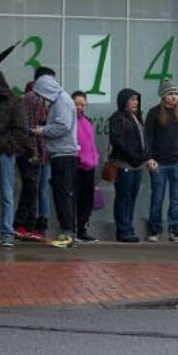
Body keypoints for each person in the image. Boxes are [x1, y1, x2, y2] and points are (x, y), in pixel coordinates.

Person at [31, 72, 79, 248]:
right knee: (63, 195)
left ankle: (67, 233)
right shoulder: (62, 100)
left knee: (63, 195)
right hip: (63, 154)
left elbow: (62, 127)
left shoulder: (61, 102)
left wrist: (42, 131)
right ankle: (67, 231)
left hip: (63, 154)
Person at [145, 80, 178, 243]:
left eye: (176, 94)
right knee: (157, 197)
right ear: (163, 96)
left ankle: (175, 230)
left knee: (177, 198)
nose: (174, 97)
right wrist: (149, 157)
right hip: (159, 163)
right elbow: (148, 137)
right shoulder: (154, 113)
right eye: (170, 94)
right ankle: (155, 229)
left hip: (177, 163)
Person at [0, 69, 29, 248]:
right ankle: (2, 232)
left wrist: (8, 147)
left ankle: (6, 231)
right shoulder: (13, 100)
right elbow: (21, 130)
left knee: (6, 193)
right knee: (4, 194)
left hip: (2, 152)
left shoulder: (13, 101)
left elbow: (21, 130)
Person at [14, 70, 52, 241]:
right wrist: (35, 154)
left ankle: (30, 225)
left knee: (34, 190)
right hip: (31, 153)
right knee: (31, 189)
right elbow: (30, 129)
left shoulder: (41, 100)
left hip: (38, 153)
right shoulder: (33, 99)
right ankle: (22, 224)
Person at [109, 88, 147, 243]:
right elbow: (117, 141)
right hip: (125, 163)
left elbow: (144, 140)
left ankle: (129, 228)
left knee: (132, 198)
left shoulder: (137, 117)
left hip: (138, 165)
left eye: (136, 99)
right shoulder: (117, 118)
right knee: (123, 197)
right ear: (124, 101)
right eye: (132, 99)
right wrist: (133, 157)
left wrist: (144, 157)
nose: (135, 102)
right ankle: (123, 230)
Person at [72, 91, 101, 243]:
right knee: (73, 199)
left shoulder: (87, 121)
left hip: (90, 167)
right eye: (77, 104)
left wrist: (95, 158)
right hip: (76, 166)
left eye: (82, 104)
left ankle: (82, 230)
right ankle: (70, 230)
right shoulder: (69, 121)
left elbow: (91, 143)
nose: (80, 107)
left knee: (86, 201)